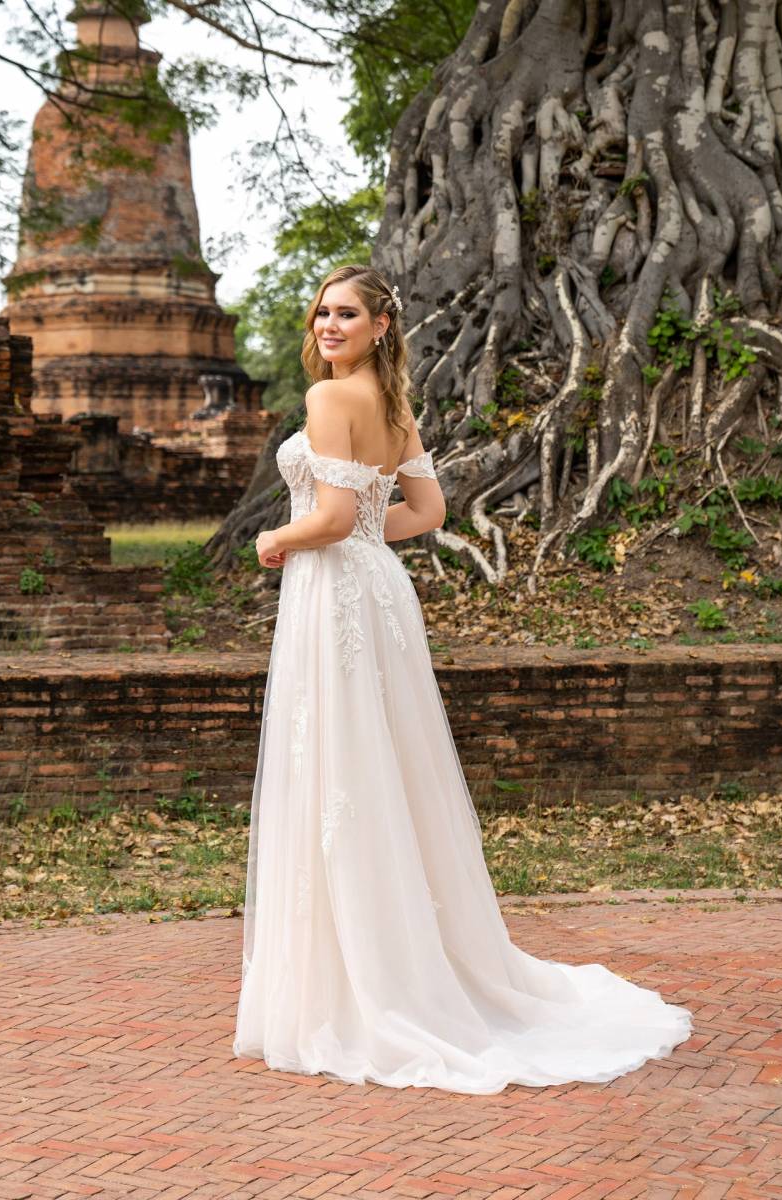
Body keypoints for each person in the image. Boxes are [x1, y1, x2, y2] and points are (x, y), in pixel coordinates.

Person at [232, 264, 694, 1093]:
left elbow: (333, 517)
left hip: (334, 585)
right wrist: (364, 535)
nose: (328, 325)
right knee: (380, 766)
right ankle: (392, 956)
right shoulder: (397, 404)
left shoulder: (331, 401)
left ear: (381, 325)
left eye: (345, 314)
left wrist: (280, 540)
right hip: (373, 587)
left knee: (343, 763)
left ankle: (357, 981)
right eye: (321, 312)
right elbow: (427, 512)